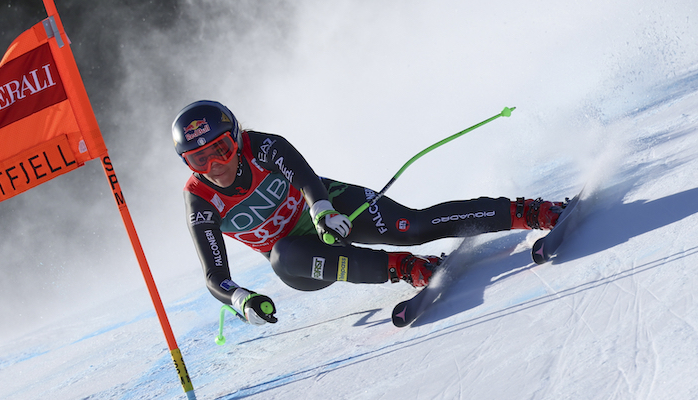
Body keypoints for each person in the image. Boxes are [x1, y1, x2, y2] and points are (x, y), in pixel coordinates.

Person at [173, 100, 563, 326]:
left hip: (331, 206)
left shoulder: (262, 147)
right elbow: (215, 277)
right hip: (304, 261)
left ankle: (530, 212)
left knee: (413, 225)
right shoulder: (200, 199)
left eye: (221, 149)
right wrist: (242, 300)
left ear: (237, 139)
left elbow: (306, 178)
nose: (216, 166)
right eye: (199, 159)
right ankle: (403, 267)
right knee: (281, 256)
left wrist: (323, 210)